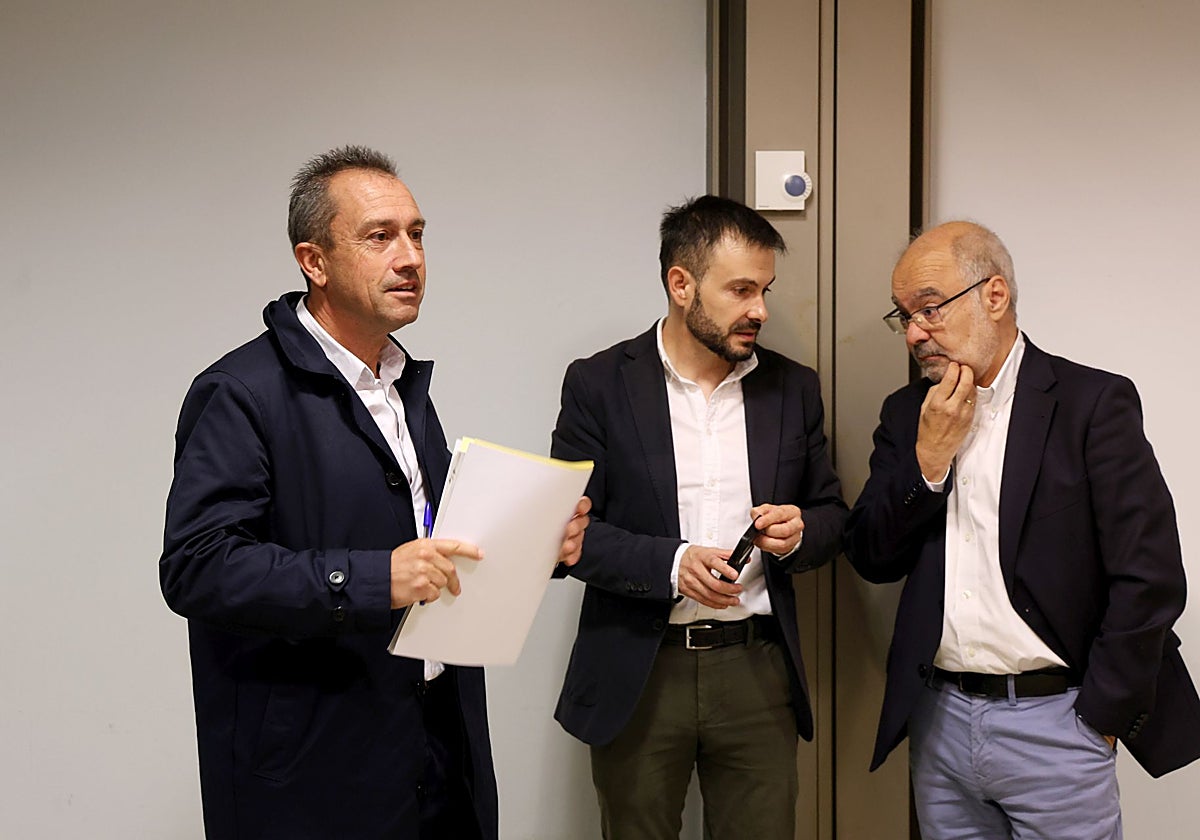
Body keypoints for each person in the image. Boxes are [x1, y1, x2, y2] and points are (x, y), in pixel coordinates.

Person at [159, 146, 589, 840]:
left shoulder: (400, 388)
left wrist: (540, 545)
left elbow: (435, 540)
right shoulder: (239, 393)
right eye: (380, 236)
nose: (411, 257)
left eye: (417, 234)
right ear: (315, 261)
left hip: (436, 744)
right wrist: (368, 577)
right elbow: (197, 567)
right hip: (315, 768)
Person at [844, 220, 1200, 839]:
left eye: (929, 309)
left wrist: (1099, 718)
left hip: (1057, 719)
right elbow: (872, 555)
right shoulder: (907, 415)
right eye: (902, 317)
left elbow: (1151, 578)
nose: (915, 333)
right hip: (941, 719)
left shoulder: (1092, 404)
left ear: (995, 296)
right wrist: (928, 464)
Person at [550, 195, 847, 839]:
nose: (760, 311)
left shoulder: (794, 388)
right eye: (741, 290)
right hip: (639, 666)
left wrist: (800, 535)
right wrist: (672, 564)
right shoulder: (598, 384)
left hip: (757, 670)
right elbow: (568, 537)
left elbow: (832, 514)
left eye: (765, 290)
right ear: (680, 285)